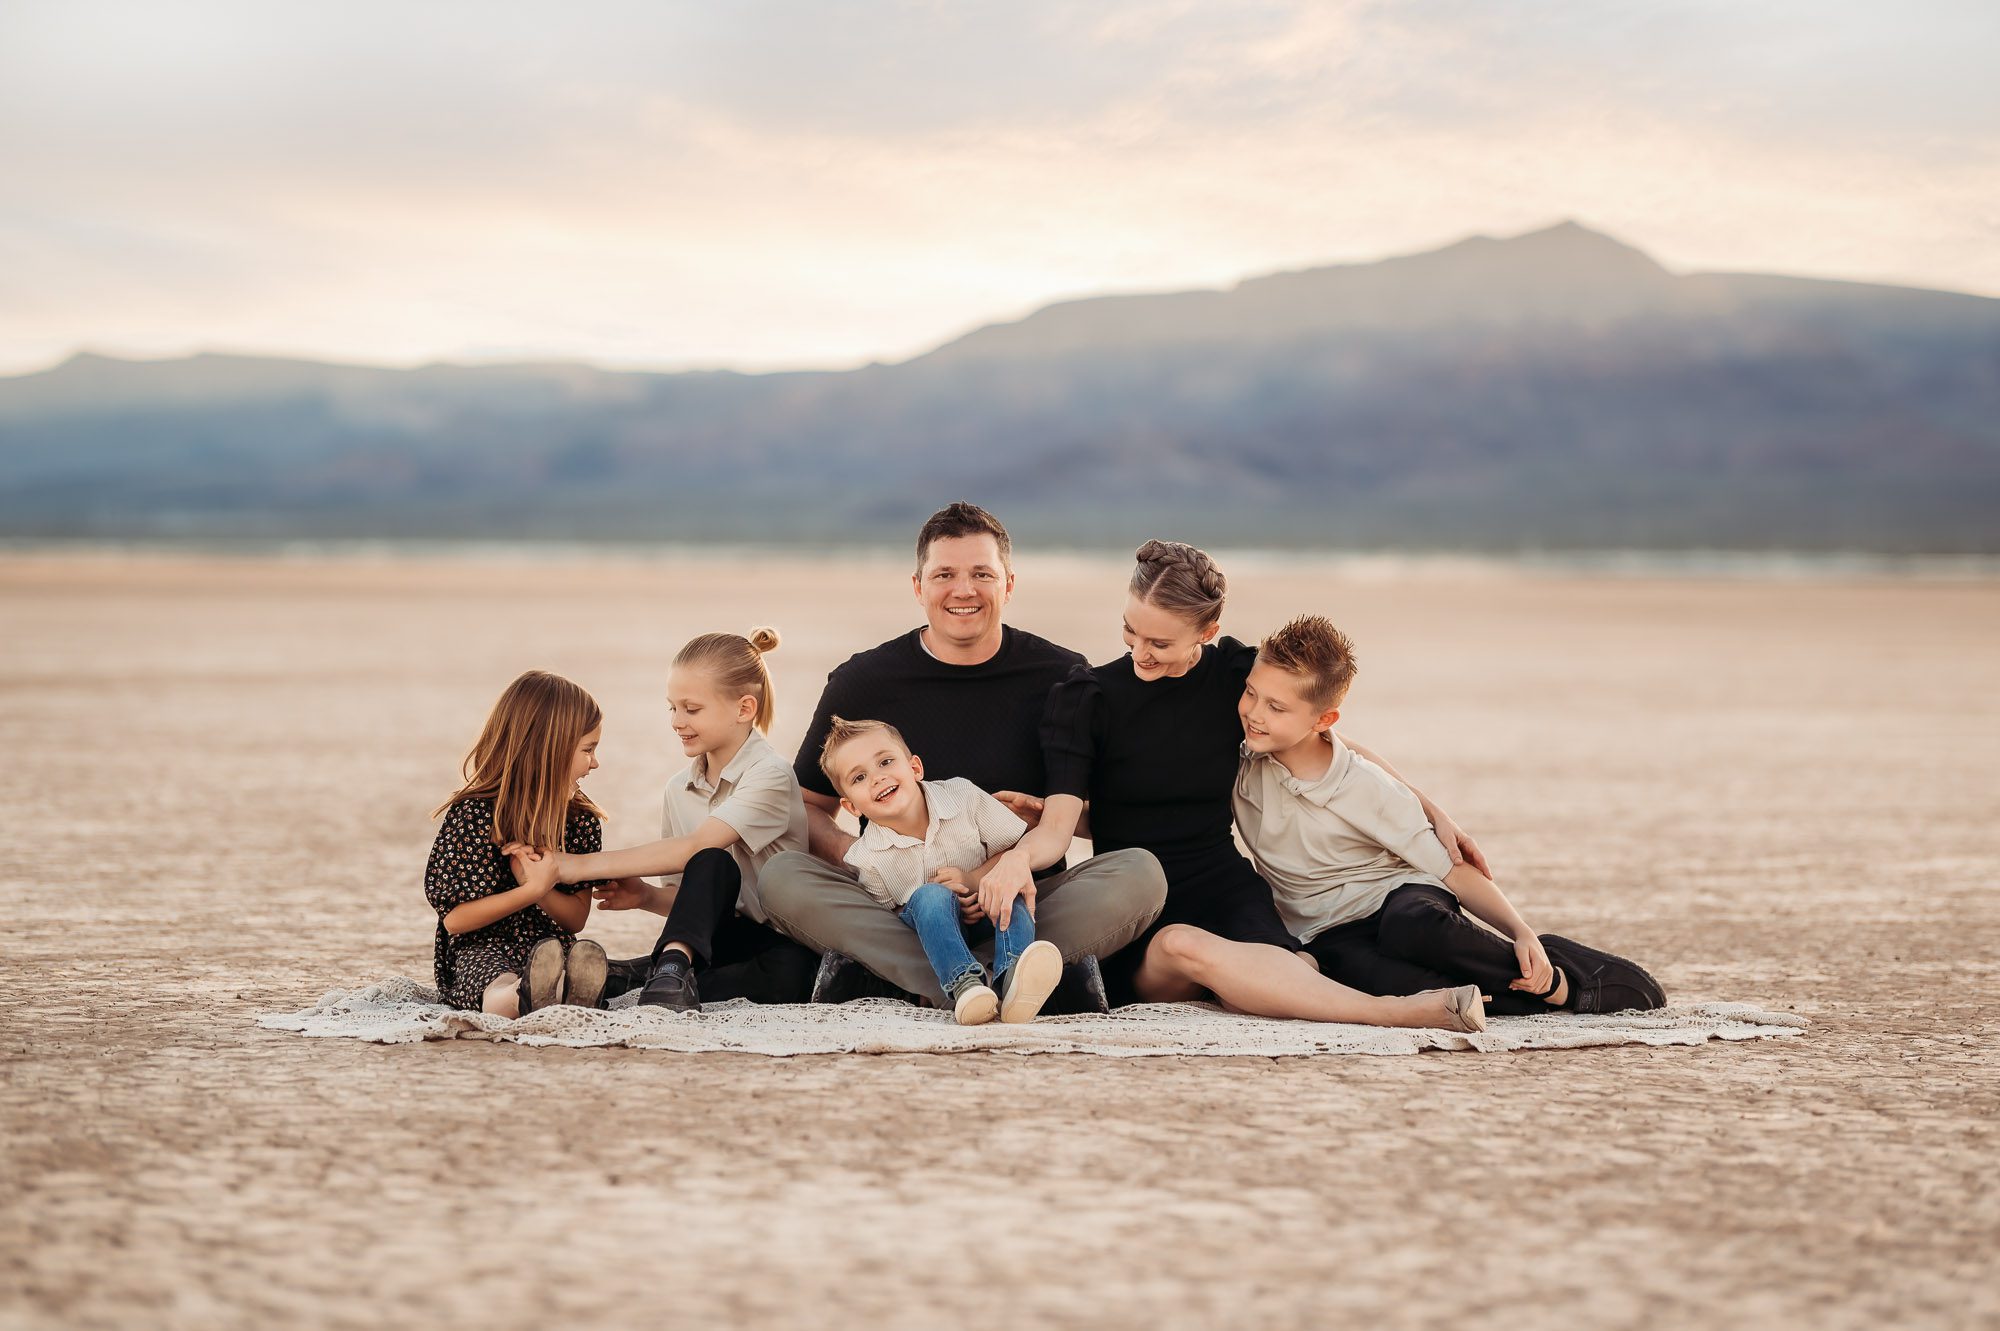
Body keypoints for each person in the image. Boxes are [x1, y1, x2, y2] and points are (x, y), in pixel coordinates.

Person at [982, 541, 1486, 1031]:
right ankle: (1394, 1014)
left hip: (1224, 884)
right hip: (1139, 901)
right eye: (1130, 632)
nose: (1141, 653)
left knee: (1297, 969)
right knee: (1182, 946)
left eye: (1160, 643)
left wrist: (1433, 811)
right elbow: (1057, 832)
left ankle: (1265, 984)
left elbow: (1329, 743)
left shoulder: (1233, 678)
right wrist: (1017, 858)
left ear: (1208, 631)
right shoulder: (1085, 698)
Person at [757, 502, 1168, 1009]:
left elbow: (1101, 819)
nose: (964, 590)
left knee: (1141, 873)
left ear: (1009, 584)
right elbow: (808, 804)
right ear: (918, 587)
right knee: (780, 877)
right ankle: (1000, 982)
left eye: (982, 574)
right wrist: (869, 863)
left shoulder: (1063, 677)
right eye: (945, 574)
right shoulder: (863, 680)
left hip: (1026, 902)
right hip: (902, 912)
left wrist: (1046, 821)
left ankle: (931, 979)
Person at [1234, 614, 1667, 1014]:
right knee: (1400, 988)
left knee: (1414, 927)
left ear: (1323, 720)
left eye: (1276, 707)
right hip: (1328, 931)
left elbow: (1453, 870)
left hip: (1398, 897)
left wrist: (1521, 930)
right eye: (1252, 693)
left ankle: (1565, 979)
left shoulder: (1363, 786)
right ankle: (1538, 1003)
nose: (1254, 712)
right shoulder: (1246, 757)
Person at [512, 630, 818, 1012]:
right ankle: (666, 973)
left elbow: (691, 849)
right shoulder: (679, 789)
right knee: (711, 866)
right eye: (671, 707)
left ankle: (638, 977)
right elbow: (693, 903)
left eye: (691, 709)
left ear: (744, 709)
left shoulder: (769, 775)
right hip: (709, 943)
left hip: (775, 942)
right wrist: (646, 897)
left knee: (788, 969)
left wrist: (570, 866)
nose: (676, 721)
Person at [820, 716, 1065, 1024]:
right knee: (929, 896)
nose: (877, 778)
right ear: (851, 807)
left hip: (986, 908)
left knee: (1009, 890)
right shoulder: (866, 857)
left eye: (885, 762)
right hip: (933, 936)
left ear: (915, 768)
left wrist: (973, 879)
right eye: (859, 778)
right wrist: (935, 906)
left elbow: (1012, 850)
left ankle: (1014, 979)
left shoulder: (962, 796)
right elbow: (887, 919)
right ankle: (966, 985)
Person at [424, 670, 610, 1017]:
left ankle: (560, 989)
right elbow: (456, 920)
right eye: (588, 749)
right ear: (547, 750)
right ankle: (520, 997)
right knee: (495, 980)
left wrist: (543, 888)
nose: (595, 762)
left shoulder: (580, 821)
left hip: (552, 948)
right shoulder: (475, 814)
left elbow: (575, 919)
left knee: (567, 959)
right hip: (478, 948)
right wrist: (531, 889)